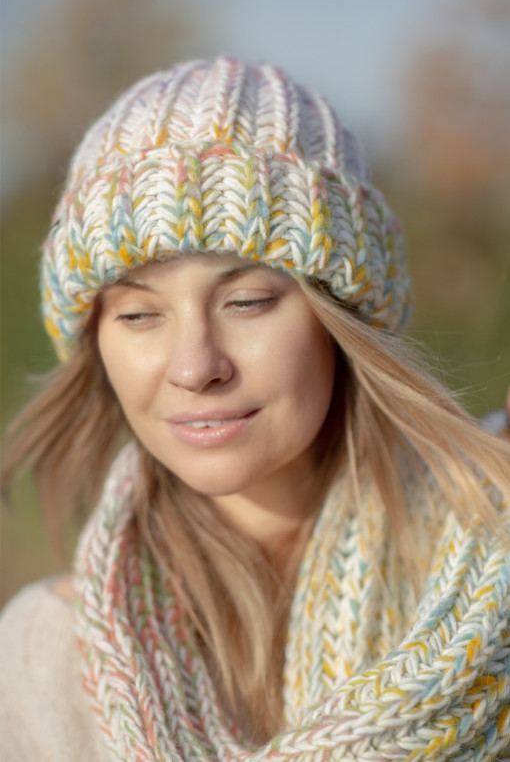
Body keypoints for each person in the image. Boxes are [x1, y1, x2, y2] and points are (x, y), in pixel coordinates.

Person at [1, 56, 509, 762]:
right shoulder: (44, 660)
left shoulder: (492, 561)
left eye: (248, 302)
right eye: (140, 314)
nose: (194, 366)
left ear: (344, 316)